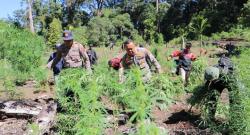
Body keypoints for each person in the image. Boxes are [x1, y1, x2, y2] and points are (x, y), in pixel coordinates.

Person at [203, 55, 240, 121]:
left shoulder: (229, 73)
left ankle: (234, 119)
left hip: (229, 83)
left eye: (213, 80)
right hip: (217, 83)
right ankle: (211, 118)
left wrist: (236, 93)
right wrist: (204, 89)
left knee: (233, 101)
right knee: (212, 98)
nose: (211, 81)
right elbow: (208, 81)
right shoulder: (212, 70)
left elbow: (236, 84)